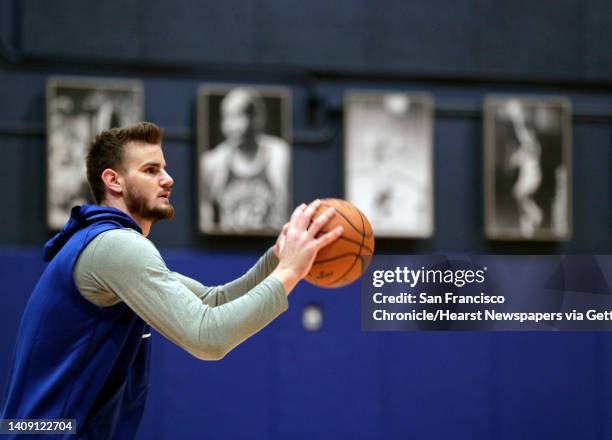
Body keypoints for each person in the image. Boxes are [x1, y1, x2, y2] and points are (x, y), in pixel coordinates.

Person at [1, 122, 342, 439]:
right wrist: (290, 272)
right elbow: (209, 337)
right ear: (113, 180)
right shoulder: (116, 247)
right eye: (151, 170)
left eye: (163, 168)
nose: (168, 179)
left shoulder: (106, 242)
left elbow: (213, 301)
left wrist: (278, 258)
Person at [199, 87, 290, 233]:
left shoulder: (279, 154)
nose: (231, 127)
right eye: (227, 118)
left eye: (238, 116)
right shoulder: (212, 162)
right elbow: (206, 216)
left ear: (256, 118)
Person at [505, 99, 543, 238]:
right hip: (526, 177)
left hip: (532, 177)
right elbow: (517, 159)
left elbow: (523, 134)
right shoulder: (526, 147)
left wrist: (517, 118)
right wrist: (514, 159)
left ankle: (535, 215)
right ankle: (528, 221)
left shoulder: (533, 145)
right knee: (519, 197)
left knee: (519, 195)